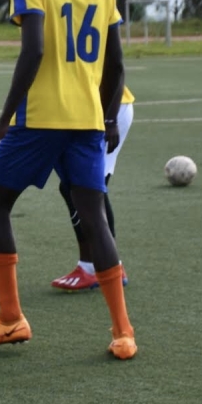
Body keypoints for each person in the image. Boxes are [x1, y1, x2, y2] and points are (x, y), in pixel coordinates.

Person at [0, 0, 136, 360]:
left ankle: (9, 319)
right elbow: (117, 65)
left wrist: (2, 123)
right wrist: (107, 119)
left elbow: (35, 49)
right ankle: (123, 332)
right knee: (94, 218)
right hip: (86, 122)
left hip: (39, 120)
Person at [52, 85, 134, 291]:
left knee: (87, 191)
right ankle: (102, 267)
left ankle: (98, 268)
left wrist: (110, 119)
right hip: (87, 110)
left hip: (104, 111)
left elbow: (116, 67)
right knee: (75, 188)